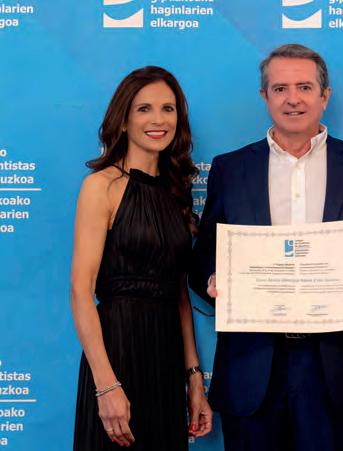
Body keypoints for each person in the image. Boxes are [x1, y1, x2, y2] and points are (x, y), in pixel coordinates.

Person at [189, 44, 343, 451]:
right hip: (253, 366)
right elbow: (203, 257)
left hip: (336, 367)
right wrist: (213, 279)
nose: (293, 99)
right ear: (264, 96)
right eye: (280, 88)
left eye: (304, 87)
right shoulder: (230, 168)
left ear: (325, 96)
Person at [70, 66, 212, 450]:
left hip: (165, 355)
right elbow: (81, 291)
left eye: (168, 109)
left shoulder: (176, 192)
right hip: (117, 351)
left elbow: (179, 294)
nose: (158, 120)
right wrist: (106, 385)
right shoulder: (101, 187)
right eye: (144, 109)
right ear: (123, 120)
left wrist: (194, 378)